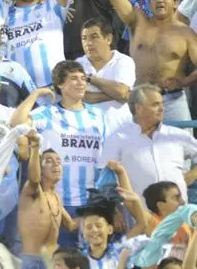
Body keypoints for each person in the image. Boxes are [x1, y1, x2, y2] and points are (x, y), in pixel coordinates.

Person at [12, 61, 106, 246]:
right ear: (60, 85)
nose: (80, 83)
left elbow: (104, 160)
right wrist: (36, 94)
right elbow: (16, 122)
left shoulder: (98, 115)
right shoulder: (47, 114)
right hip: (57, 201)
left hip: (91, 202)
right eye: (74, 79)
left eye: (83, 79)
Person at [108, 0, 197, 125]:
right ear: (149, 4)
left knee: (181, 150)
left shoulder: (186, 33)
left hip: (173, 101)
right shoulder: (138, 23)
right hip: (139, 99)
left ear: (176, 3)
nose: (160, 0)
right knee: (136, 149)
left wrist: (184, 82)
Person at [99, 85, 197, 198]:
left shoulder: (177, 135)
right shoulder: (118, 139)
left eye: (162, 104)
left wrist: (191, 175)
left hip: (178, 212)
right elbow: (106, 180)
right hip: (139, 213)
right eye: (155, 104)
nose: (162, 109)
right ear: (138, 108)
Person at [17, 131, 78, 269]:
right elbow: (34, 178)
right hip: (31, 262)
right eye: (49, 161)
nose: (56, 165)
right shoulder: (31, 190)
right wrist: (35, 147)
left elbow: (71, 225)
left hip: (52, 261)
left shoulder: (56, 197)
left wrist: (97, 215)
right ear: (40, 168)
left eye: (58, 161)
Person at [75, 19, 135, 117]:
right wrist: (115, 95)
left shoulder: (124, 61)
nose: (88, 43)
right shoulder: (78, 64)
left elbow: (121, 92)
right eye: (84, 38)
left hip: (119, 125)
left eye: (94, 37)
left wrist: (91, 79)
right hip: (87, 126)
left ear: (108, 39)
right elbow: (79, 96)